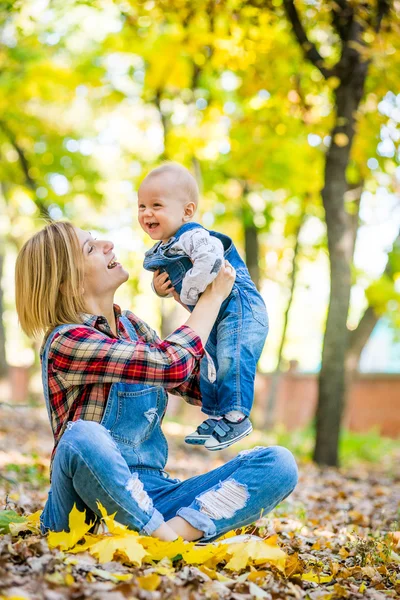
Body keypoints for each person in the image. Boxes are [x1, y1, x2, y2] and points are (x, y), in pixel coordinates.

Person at [15, 221, 297, 542]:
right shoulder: (65, 340)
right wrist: (209, 303)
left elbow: (201, 387)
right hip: (82, 511)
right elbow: (172, 364)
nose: (107, 243)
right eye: (90, 248)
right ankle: (169, 539)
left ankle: (165, 536)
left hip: (153, 497)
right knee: (82, 436)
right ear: (68, 284)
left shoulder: (134, 327)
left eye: (96, 238)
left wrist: (201, 306)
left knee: (278, 463)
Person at [138, 162, 268, 451]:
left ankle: (236, 416)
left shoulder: (193, 236)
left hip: (239, 307)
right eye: (142, 206)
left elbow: (210, 260)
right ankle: (217, 414)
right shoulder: (163, 250)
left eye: (157, 205)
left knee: (232, 356)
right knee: (210, 361)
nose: (147, 213)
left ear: (186, 211)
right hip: (213, 314)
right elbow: (170, 282)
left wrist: (193, 292)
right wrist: (159, 289)